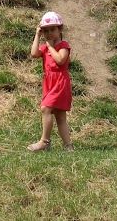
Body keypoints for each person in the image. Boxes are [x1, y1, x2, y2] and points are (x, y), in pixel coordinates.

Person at [28, 10, 72, 151]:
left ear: (60, 29)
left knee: (46, 108)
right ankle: (68, 146)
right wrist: (37, 34)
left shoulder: (63, 45)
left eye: (52, 29)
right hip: (49, 82)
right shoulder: (46, 46)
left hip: (60, 82)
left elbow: (60, 60)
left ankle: (44, 142)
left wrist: (50, 46)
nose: (49, 33)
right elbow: (34, 54)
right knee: (59, 115)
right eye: (45, 31)